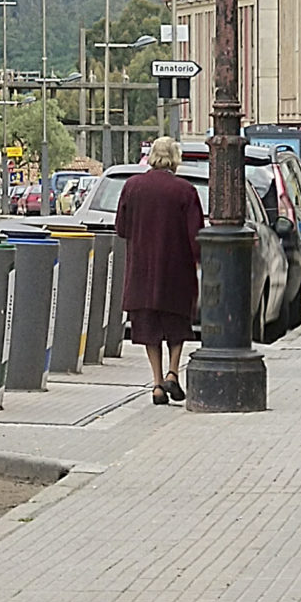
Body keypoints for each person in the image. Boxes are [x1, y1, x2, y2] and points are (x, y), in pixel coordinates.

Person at [116, 135, 203, 404]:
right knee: (177, 324)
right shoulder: (185, 191)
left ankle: (155, 384)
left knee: (148, 328)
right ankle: (173, 373)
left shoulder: (133, 186)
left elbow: (121, 228)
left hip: (142, 270)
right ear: (175, 159)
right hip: (176, 271)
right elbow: (196, 234)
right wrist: (200, 261)